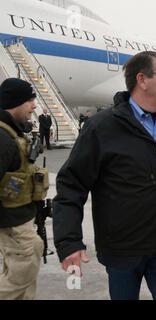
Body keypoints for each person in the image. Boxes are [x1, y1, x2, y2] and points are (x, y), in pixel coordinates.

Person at [52, 51, 156, 300]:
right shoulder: (101, 127)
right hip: (123, 251)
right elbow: (71, 186)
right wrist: (69, 242)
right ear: (142, 79)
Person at [0, 78, 44, 300]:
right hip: (12, 224)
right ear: (17, 102)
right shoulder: (3, 138)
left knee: (22, 281)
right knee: (23, 270)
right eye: (30, 100)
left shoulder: (12, 132)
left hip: (19, 219)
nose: (34, 106)